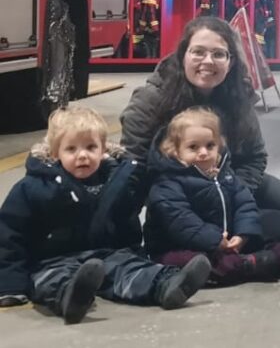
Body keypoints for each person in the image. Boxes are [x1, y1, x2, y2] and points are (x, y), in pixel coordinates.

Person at [0, 107, 210, 323]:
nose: (83, 155)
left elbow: (127, 222)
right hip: (52, 259)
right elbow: (10, 234)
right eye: (71, 149)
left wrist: (135, 255)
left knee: (128, 269)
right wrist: (9, 283)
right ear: (55, 154)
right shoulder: (34, 187)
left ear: (103, 151)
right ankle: (71, 297)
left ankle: (167, 285)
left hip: (106, 254)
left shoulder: (116, 181)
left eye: (91, 147)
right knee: (49, 279)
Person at [120, 16, 280, 243]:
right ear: (182, 56)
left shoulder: (238, 97)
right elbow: (133, 167)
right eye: (198, 52)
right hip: (177, 197)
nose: (208, 61)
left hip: (232, 183)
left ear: (231, 62)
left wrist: (229, 197)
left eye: (218, 54)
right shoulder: (151, 100)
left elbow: (255, 157)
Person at [145, 108, 280, 285]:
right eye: (193, 147)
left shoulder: (225, 175)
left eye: (210, 145)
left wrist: (243, 233)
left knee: (266, 240)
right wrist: (215, 240)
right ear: (175, 151)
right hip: (181, 245)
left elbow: (245, 204)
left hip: (227, 239)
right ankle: (247, 265)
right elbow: (180, 220)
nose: (203, 152)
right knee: (192, 261)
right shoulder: (168, 183)